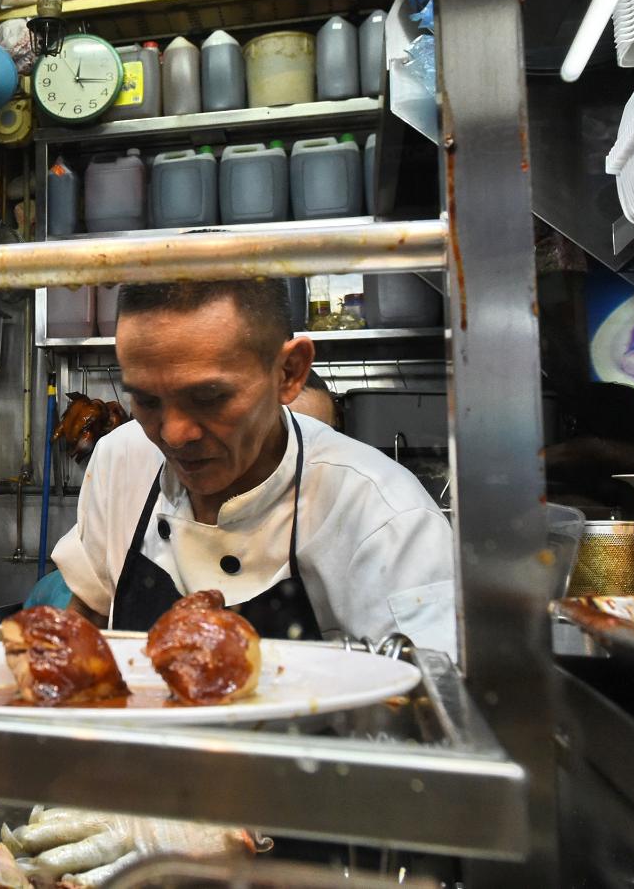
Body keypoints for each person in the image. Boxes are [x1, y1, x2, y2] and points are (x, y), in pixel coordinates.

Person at [50, 279, 455, 653]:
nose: (173, 435)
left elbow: (423, 707)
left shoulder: (385, 518)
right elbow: (87, 615)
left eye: (209, 397)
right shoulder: (123, 457)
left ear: (288, 373)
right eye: (148, 401)